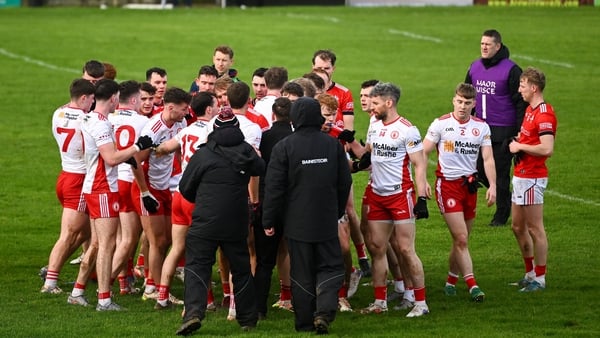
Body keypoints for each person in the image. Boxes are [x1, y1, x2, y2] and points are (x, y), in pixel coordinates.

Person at [262, 97, 352, 334]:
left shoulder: (285, 147)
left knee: (301, 272)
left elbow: (274, 188)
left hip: (296, 222)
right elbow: (345, 182)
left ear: (294, 118)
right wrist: (338, 210)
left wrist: (269, 220)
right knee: (331, 267)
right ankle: (323, 311)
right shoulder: (332, 145)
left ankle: (303, 323)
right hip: (325, 218)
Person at [176, 111, 264, 335]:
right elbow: (260, 168)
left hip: (205, 220)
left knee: (197, 266)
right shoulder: (246, 151)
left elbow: (185, 187)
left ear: (214, 130)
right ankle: (247, 318)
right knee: (241, 269)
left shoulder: (203, 154)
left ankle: (194, 312)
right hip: (236, 221)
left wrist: (203, 199)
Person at [354, 82, 431, 318]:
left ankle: (420, 303)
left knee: (406, 249)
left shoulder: (408, 129)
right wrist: (353, 150)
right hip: (377, 195)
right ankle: (379, 302)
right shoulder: (375, 126)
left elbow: (419, 164)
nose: (371, 107)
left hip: (400, 195)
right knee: (377, 248)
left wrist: (421, 198)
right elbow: (368, 154)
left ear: (389, 102)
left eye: (375, 103)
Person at [78, 78, 154, 310]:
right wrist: (137, 147)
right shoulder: (101, 123)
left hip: (95, 184)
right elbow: (111, 159)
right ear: (112, 98)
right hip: (103, 187)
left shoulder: (91, 118)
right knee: (108, 244)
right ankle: (104, 299)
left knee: (100, 243)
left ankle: (78, 290)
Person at [422, 83, 496, 302]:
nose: (463, 106)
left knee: (461, 240)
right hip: (447, 186)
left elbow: (488, 158)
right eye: (459, 102)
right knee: (462, 237)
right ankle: (473, 285)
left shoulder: (481, 127)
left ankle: (451, 281)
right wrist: (422, 180)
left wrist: (493, 185)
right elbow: (422, 153)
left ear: (474, 104)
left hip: (470, 188)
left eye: (467, 103)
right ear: (453, 100)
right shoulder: (441, 124)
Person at [153, 92, 220, 310]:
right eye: (216, 106)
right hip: (198, 196)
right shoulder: (212, 132)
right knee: (201, 252)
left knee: (177, 248)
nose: (218, 109)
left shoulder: (186, 130)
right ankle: (206, 299)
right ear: (209, 110)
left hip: (179, 195)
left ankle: (162, 295)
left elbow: (163, 149)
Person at [131, 87, 191, 303]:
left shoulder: (181, 123)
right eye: (183, 109)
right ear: (170, 107)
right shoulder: (153, 129)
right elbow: (135, 161)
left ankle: (152, 282)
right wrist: (145, 192)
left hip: (165, 187)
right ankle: (153, 289)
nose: (186, 113)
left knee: (166, 240)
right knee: (158, 240)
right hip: (148, 187)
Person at [465, 29, 526, 226]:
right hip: (479, 129)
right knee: (477, 169)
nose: (484, 47)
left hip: (503, 131)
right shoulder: (474, 67)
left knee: (500, 173)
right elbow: (466, 95)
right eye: (482, 44)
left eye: (488, 44)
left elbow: (520, 102)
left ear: (497, 46)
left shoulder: (511, 70)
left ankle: (502, 213)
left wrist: (518, 132)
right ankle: (504, 201)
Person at [41, 79, 96, 295]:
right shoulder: (85, 120)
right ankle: (50, 281)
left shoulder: (59, 113)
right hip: (79, 180)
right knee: (69, 234)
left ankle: (53, 271)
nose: (92, 103)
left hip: (64, 174)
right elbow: (88, 148)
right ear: (83, 98)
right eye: (91, 99)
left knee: (87, 231)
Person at [508, 67, 557, 292]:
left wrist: (519, 146)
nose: (520, 90)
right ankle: (529, 273)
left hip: (533, 178)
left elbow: (547, 148)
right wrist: (520, 140)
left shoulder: (544, 114)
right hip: (521, 174)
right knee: (517, 226)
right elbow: (531, 139)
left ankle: (540, 277)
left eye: (522, 85)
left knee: (535, 228)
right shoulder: (530, 110)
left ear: (534, 88)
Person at [253, 97, 294, 319]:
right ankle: (302, 304)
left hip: (267, 205)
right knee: (299, 257)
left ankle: (259, 308)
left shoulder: (264, 138)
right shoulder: (296, 140)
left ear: (272, 115)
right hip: (294, 207)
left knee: (264, 261)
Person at [107, 80, 149, 295]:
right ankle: (107, 284)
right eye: (141, 98)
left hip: (110, 181)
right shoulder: (143, 121)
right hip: (130, 180)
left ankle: (124, 284)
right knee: (130, 238)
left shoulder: (107, 119)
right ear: (133, 100)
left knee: (118, 237)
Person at [312, 49, 355, 131]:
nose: (323, 71)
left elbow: (348, 128)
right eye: (319, 68)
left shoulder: (344, 93)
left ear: (333, 68)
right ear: (313, 67)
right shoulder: (303, 90)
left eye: (326, 68)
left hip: (336, 140)